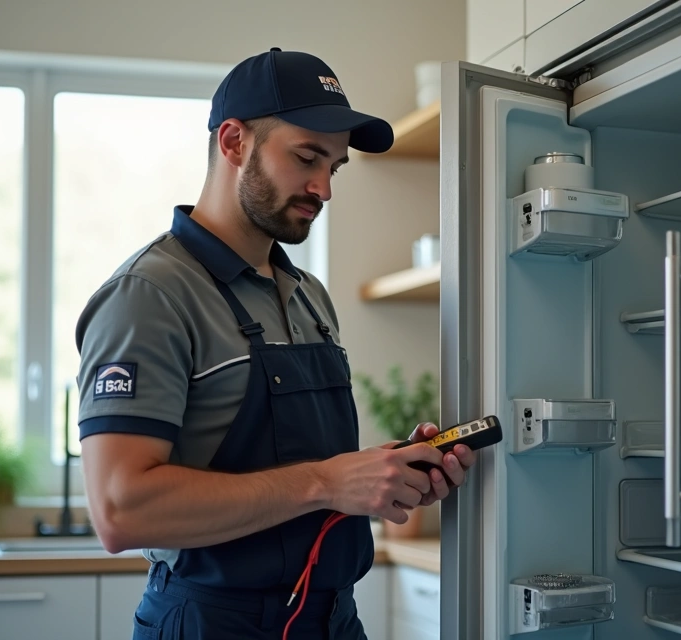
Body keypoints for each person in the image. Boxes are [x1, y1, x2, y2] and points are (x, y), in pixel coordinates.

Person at [74, 48, 477, 640]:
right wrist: (329, 481)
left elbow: (296, 467)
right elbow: (120, 510)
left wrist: (382, 471)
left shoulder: (308, 293)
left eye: (334, 167)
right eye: (306, 157)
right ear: (234, 141)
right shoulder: (150, 294)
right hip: (214, 624)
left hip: (333, 618)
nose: (324, 187)